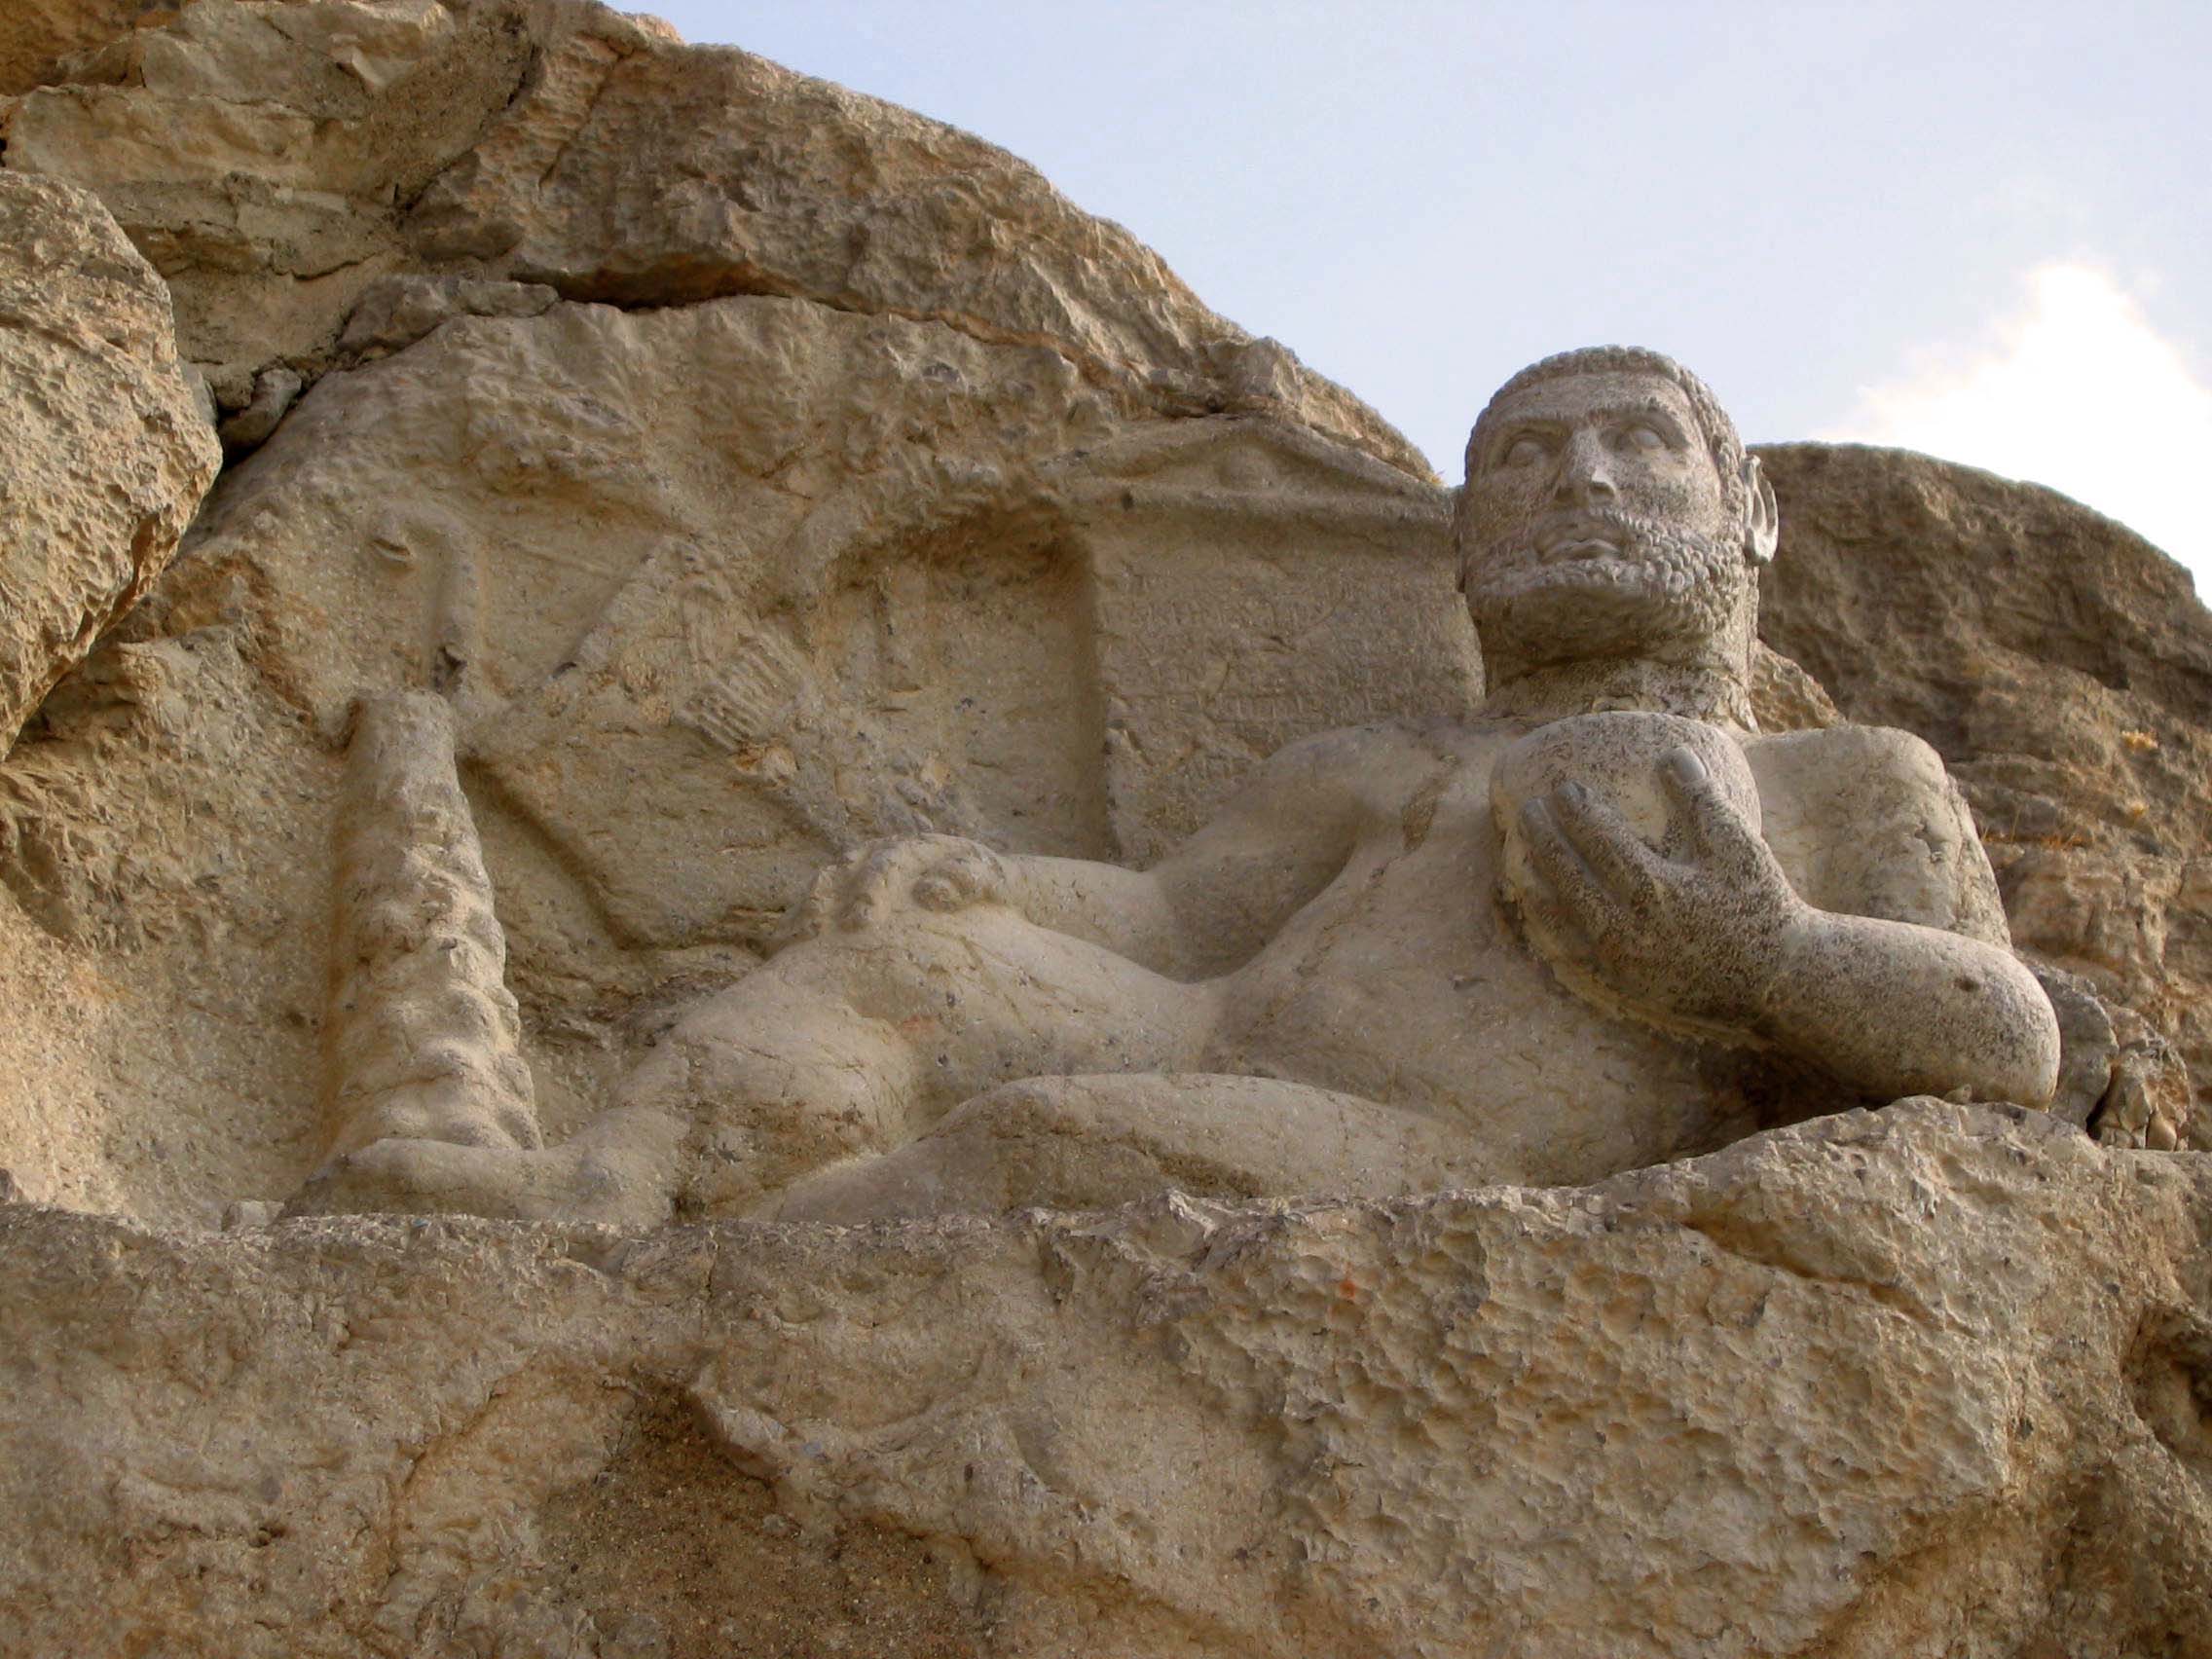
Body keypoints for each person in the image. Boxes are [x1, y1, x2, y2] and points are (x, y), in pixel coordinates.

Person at [295, 347, 2060, 1227]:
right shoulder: (1371, 765)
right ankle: (605, 1186)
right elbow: (1178, 917)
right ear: (1462, 537)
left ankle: (691, 1273)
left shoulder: (1838, 776)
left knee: (1054, 1141)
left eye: (1637, 445)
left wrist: (1767, 959)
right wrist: (997, 883)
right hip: (1215, 1030)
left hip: (1445, 1151)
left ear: (1748, 516)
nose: (1579, 482)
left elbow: (2010, 1039)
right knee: (910, 976)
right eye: (1525, 457)